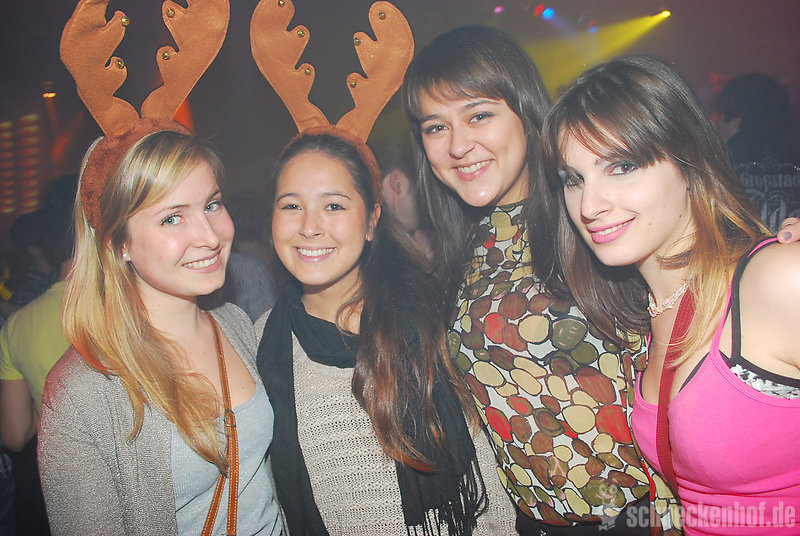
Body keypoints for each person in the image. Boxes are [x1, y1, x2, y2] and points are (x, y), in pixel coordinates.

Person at [401, 26, 678, 534]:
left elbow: (702, 273)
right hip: (533, 523)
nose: (458, 145)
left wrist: (770, 246)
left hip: (644, 516)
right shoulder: (461, 254)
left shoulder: (595, 220)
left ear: (526, 112)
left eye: (479, 115)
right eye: (435, 127)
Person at [543, 54, 800, 535]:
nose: (590, 205)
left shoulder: (774, 281)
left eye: (622, 166)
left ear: (689, 162)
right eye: (573, 179)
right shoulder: (647, 313)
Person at [256, 130, 516, 536]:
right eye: (291, 205)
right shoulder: (261, 343)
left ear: (372, 221)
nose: (309, 226)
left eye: (333, 205)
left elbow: (486, 474)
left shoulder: (432, 316)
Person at [38, 130, 282, 535]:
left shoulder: (236, 324)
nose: (210, 236)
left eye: (212, 205)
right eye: (172, 217)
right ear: (118, 243)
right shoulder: (82, 392)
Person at [714, 73, 800, 232]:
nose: (715, 124)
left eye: (719, 117)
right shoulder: (794, 158)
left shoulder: (718, 165)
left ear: (735, 121)